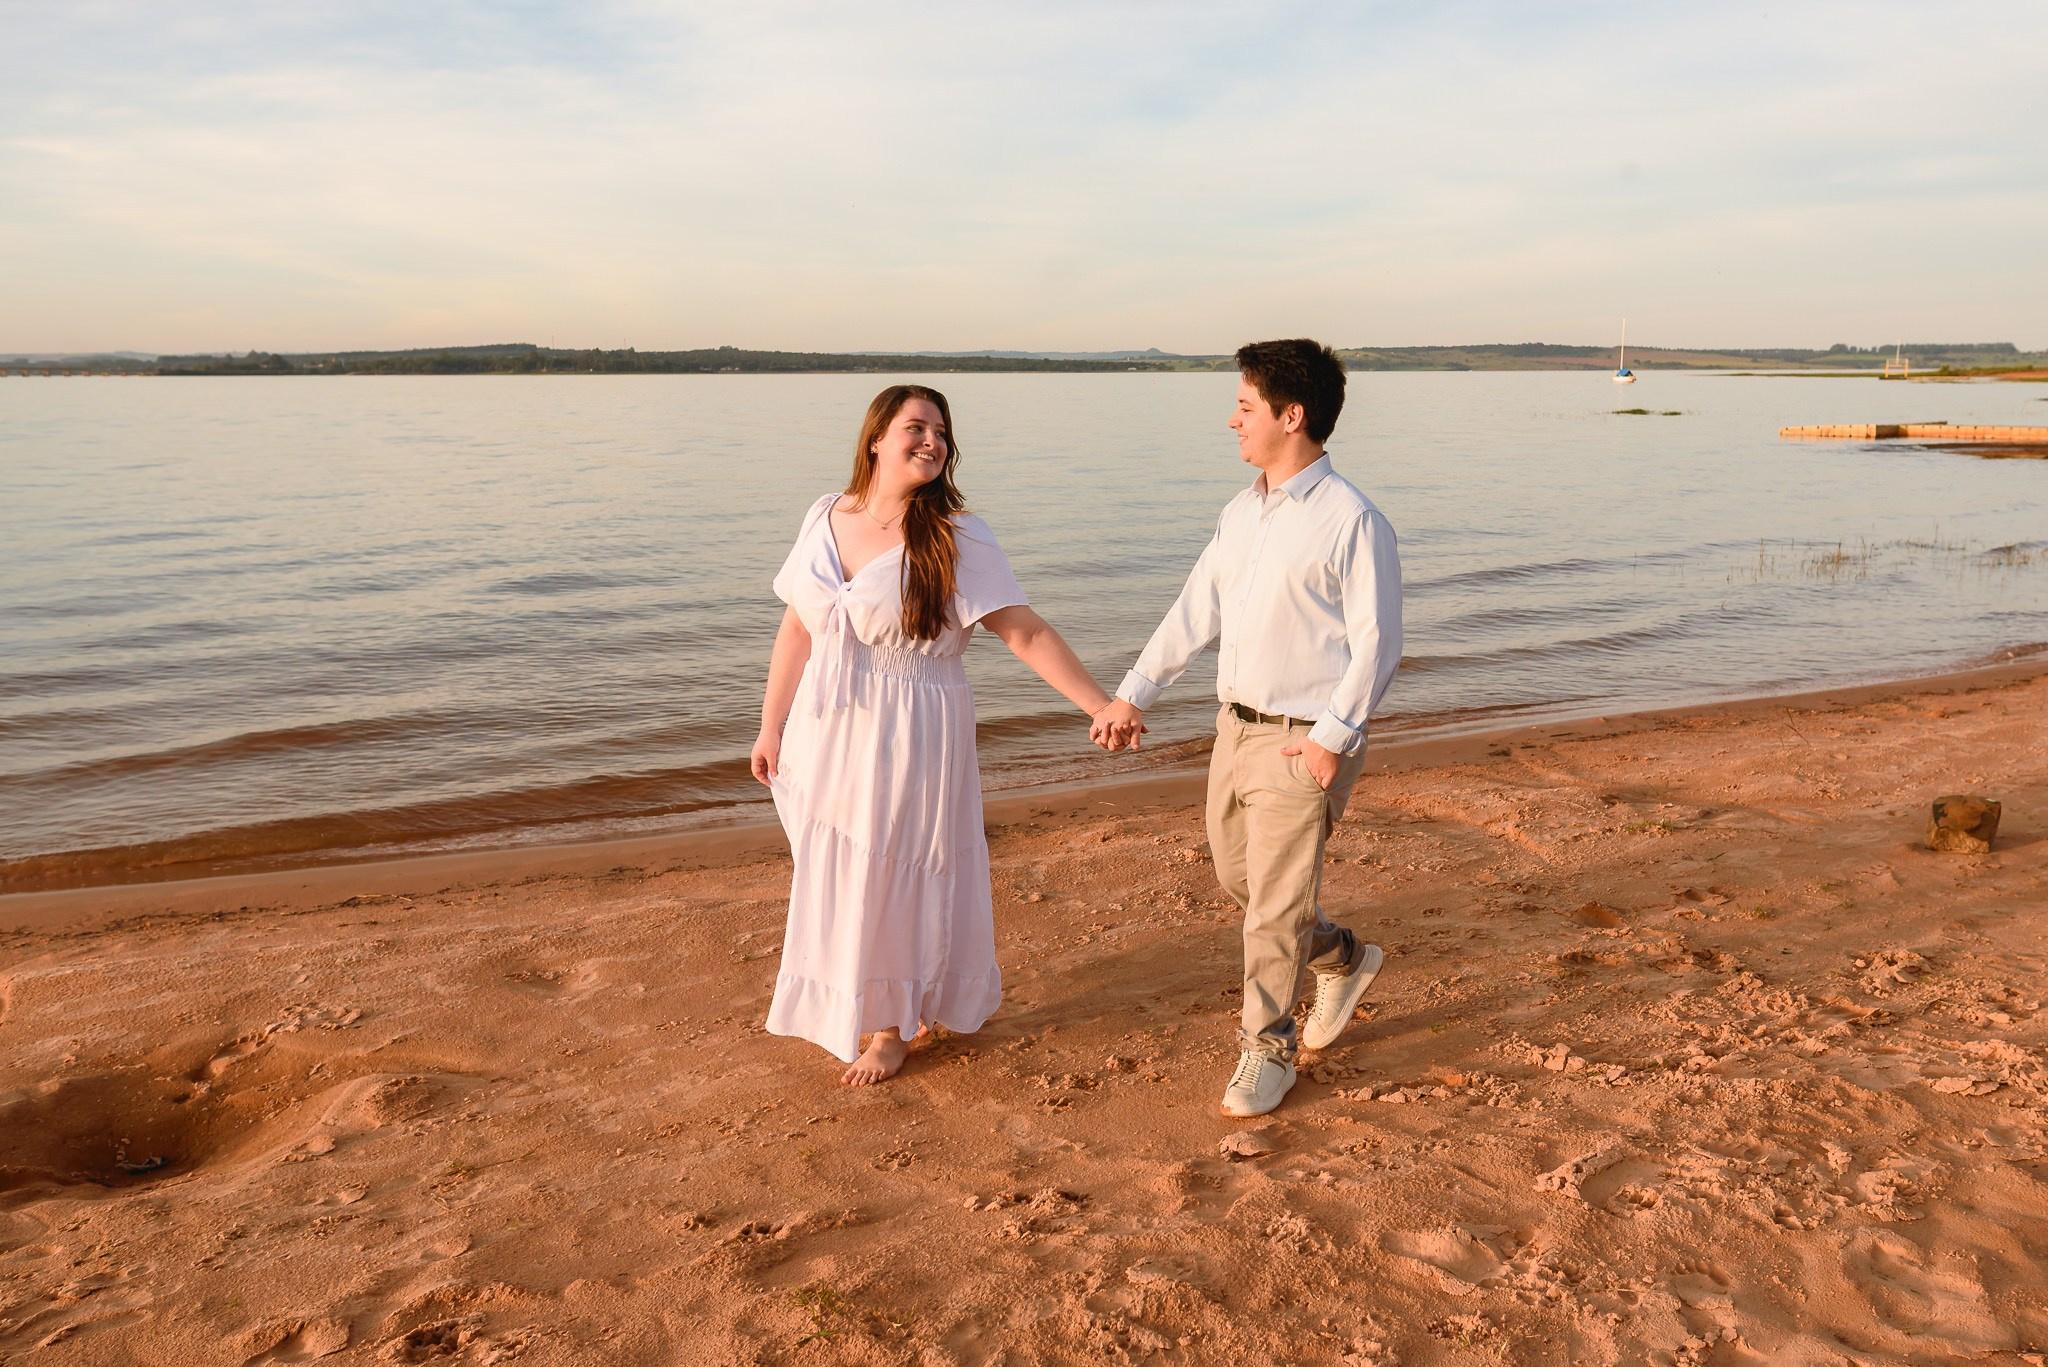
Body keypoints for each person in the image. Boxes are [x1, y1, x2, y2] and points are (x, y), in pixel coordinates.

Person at [751, 384, 1117, 1086]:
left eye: (941, 432)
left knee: (893, 865)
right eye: (916, 427)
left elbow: (1025, 630)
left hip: (912, 723)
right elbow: (798, 626)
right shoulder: (825, 514)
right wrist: (770, 726)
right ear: (876, 440)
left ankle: (888, 1027)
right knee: (837, 866)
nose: (931, 441)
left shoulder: (958, 534)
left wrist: (1098, 704)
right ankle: (877, 999)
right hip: (826, 728)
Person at [1092, 339, 1402, 1118]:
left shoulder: (1353, 520)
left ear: (1291, 416)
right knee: (1243, 882)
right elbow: (1195, 610)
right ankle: (1345, 956)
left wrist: (1333, 736)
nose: (1231, 419)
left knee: (1270, 912)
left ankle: (1267, 1048)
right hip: (1233, 729)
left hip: (1304, 740)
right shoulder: (1241, 512)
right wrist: (1135, 694)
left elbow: (1378, 643)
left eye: (1244, 406)